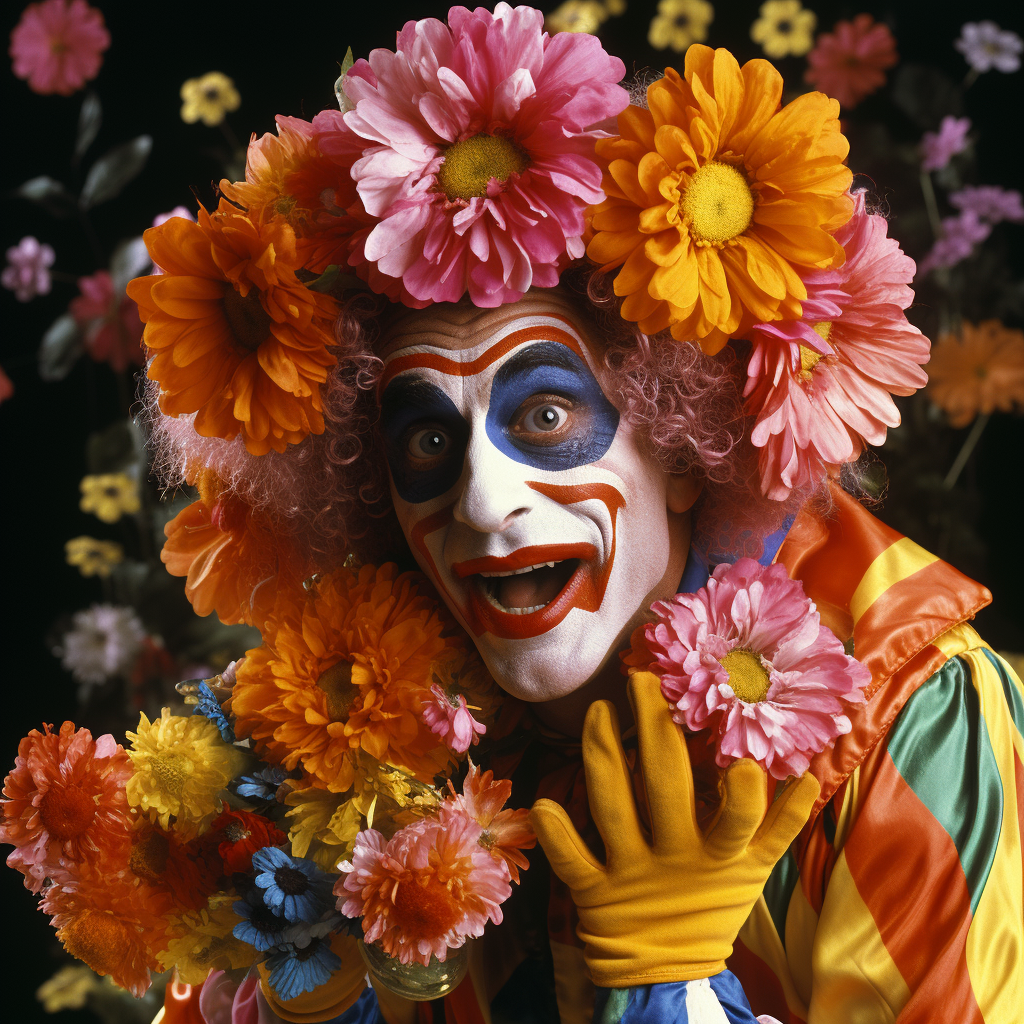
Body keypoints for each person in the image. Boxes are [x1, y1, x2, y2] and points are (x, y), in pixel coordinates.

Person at [125, 5, 1024, 1022]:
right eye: (426, 440)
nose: (478, 496)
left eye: (544, 415)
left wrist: (668, 989)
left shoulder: (903, 712)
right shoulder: (358, 737)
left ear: (685, 444)